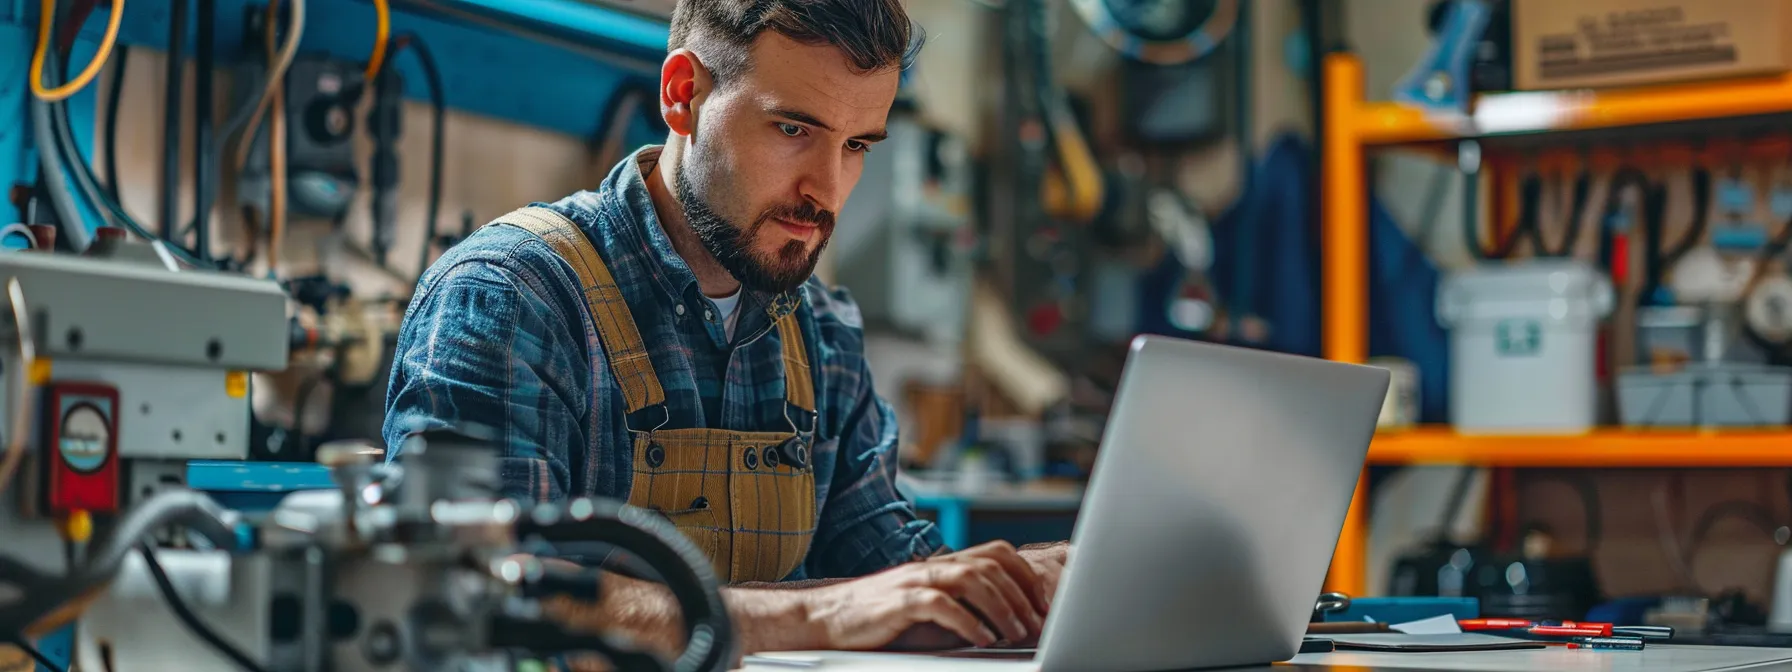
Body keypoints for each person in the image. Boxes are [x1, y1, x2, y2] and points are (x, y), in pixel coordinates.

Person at [383, 0, 1070, 657]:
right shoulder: (511, 298)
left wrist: (1036, 582)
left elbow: (893, 572)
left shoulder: (821, 334)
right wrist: (822, 614)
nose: (825, 190)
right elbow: (474, 592)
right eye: (793, 130)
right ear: (683, 95)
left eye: (857, 144)